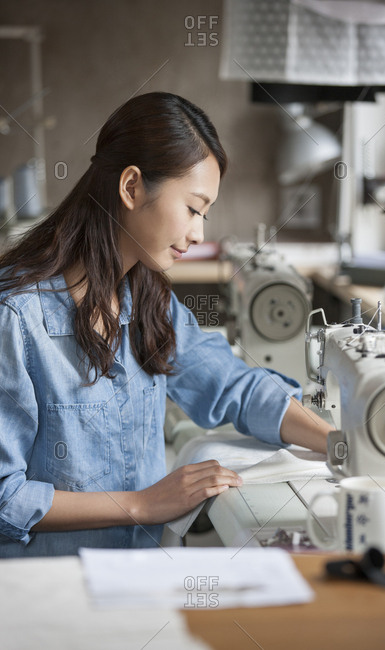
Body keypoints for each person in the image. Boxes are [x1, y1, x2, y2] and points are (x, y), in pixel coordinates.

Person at [0, 91, 330, 557]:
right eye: (194, 208)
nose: (199, 233)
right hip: (55, 596)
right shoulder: (16, 316)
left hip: (140, 580)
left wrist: (337, 442)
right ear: (132, 187)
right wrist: (140, 505)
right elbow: (4, 498)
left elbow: (233, 385)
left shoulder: (149, 299)